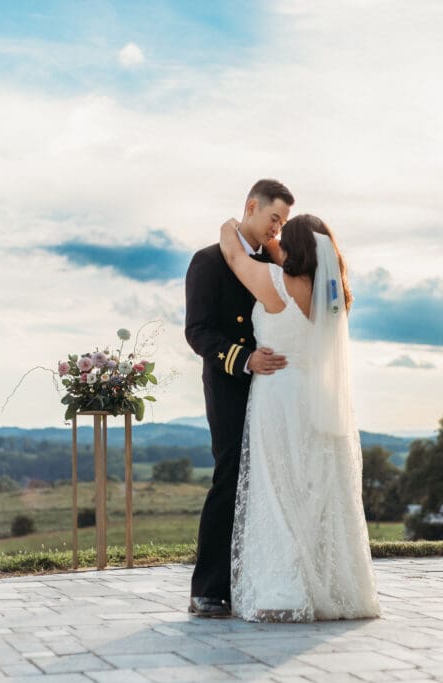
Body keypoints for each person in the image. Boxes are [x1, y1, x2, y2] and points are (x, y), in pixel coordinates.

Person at [219, 213, 381, 622]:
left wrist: (228, 224)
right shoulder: (336, 295)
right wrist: (287, 243)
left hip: (280, 395)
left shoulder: (276, 285)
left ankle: (284, 592)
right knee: (318, 494)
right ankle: (331, 587)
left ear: (292, 247)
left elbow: (236, 258)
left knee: (276, 489)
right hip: (320, 398)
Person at [184, 179, 294, 618]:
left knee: (267, 482)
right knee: (229, 476)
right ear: (252, 207)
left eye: (283, 222)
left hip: (276, 388)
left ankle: (254, 581)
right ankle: (208, 588)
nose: (277, 229)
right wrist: (245, 359)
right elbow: (198, 331)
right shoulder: (208, 261)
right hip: (231, 383)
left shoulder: (276, 263)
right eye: (274, 219)